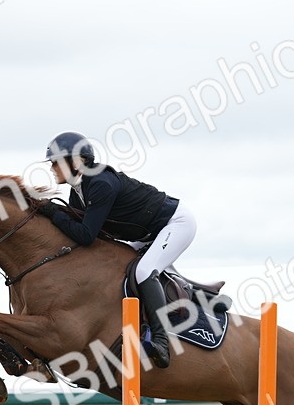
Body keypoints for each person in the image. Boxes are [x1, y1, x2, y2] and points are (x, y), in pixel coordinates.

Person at [36, 131, 197, 368]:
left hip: (175, 223)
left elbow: (86, 236)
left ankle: (162, 341)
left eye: (56, 162)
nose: (52, 168)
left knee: (143, 272)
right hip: (147, 233)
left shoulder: (100, 184)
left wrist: (54, 214)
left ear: (76, 161)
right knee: (118, 270)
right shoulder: (78, 191)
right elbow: (77, 233)